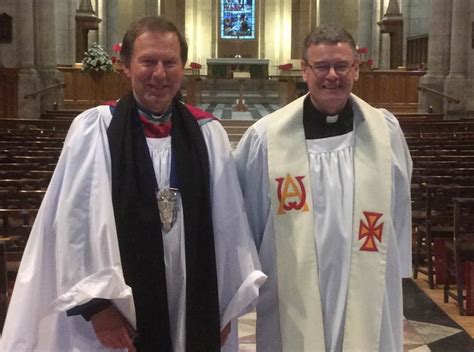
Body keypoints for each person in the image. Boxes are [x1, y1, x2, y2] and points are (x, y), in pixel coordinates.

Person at [1, 16, 266, 352]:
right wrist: (97, 306)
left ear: (183, 67)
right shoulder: (96, 129)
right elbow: (76, 223)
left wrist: (226, 306)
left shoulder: (207, 134)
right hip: (117, 311)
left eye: (170, 62)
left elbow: (230, 225)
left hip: (190, 298)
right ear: (125, 66)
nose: (159, 74)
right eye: (148, 62)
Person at [234, 24, 412, 351]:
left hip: (367, 277)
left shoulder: (385, 133)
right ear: (305, 70)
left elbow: (398, 209)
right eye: (321, 66)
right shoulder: (267, 139)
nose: (332, 75)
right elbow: (250, 219)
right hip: (292, 287)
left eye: (342, 66)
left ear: (356, 70)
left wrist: (394, 266)